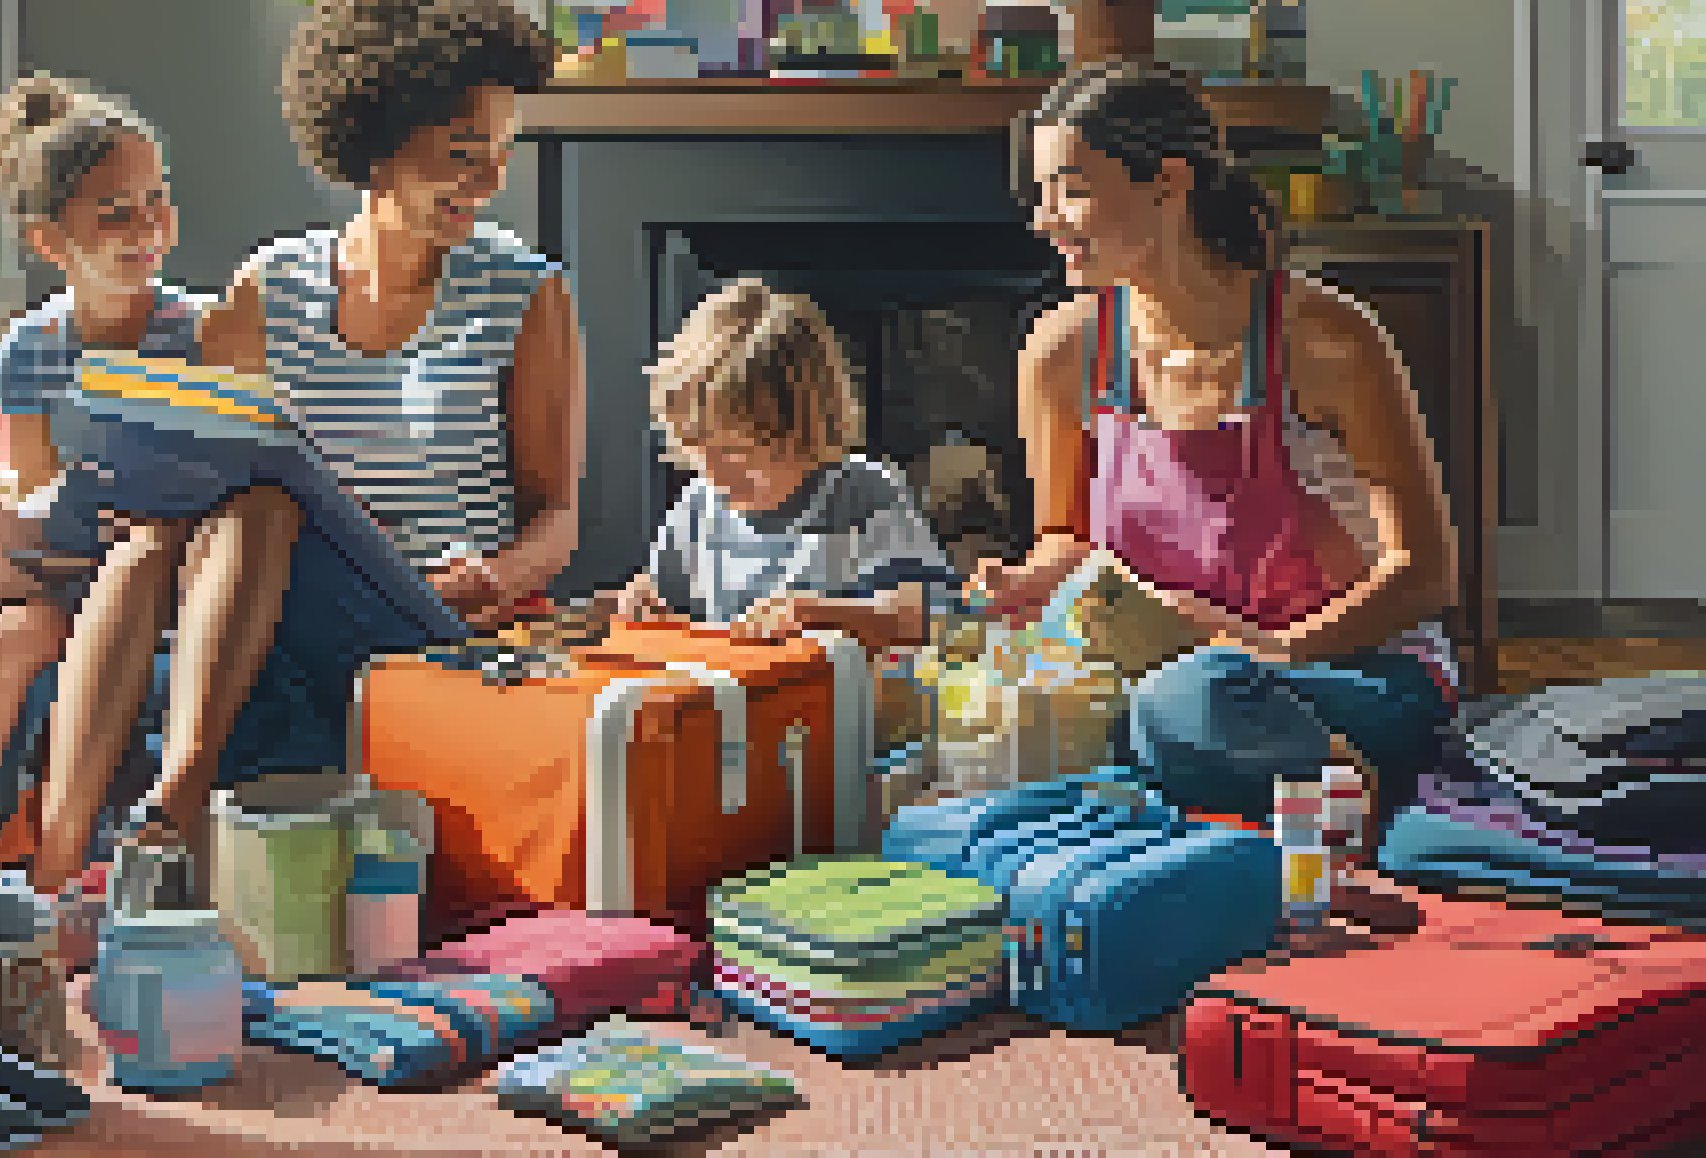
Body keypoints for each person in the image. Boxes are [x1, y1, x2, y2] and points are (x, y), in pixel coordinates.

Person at [0, 0, 582, 896]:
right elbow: (191, 459)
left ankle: (173, 800)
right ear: (377, 146)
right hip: (267, 596)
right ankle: (68, 860)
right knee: (203, 508)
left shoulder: (524, 292)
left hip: (426, 604)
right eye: (460, 153)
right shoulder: (270, 285)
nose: (488, 182)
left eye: (499, 152)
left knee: (266, 497)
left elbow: (557, 517)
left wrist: (504, 574)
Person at [972, 61, 1460, 830]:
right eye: (1040, 194)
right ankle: (1290, 802)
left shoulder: (1326, 343)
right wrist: (1022, 585)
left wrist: (1270, 652)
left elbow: (1424, 573)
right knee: (1033, 713)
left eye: (1071, 188)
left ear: (1167, 184)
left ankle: (1338, 803)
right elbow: (1066, 538)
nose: (1045, 219)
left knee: (1181, 703)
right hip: (1175, 681)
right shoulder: (1062, 353)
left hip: (1345, 673)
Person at [0, 76, 312, 900]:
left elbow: (237, 475)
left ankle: (31, 859)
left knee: (5, 553)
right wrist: (33, 519)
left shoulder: (198, 334)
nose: (147, 227)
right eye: (115, 213)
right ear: (52, 243)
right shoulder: (33, 350)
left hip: (161, 566)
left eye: (156, 201)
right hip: (72, 563)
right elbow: (44, 482)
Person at [598, 279, 954, 654]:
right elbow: (665, 600)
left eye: (738, 452)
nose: (715, 474)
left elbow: (933, 617)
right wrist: (642, 601)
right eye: (698, 451)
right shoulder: (698, 510)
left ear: (807, 432)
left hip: (837, 707)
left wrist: (821, 613)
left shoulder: (863, 496)